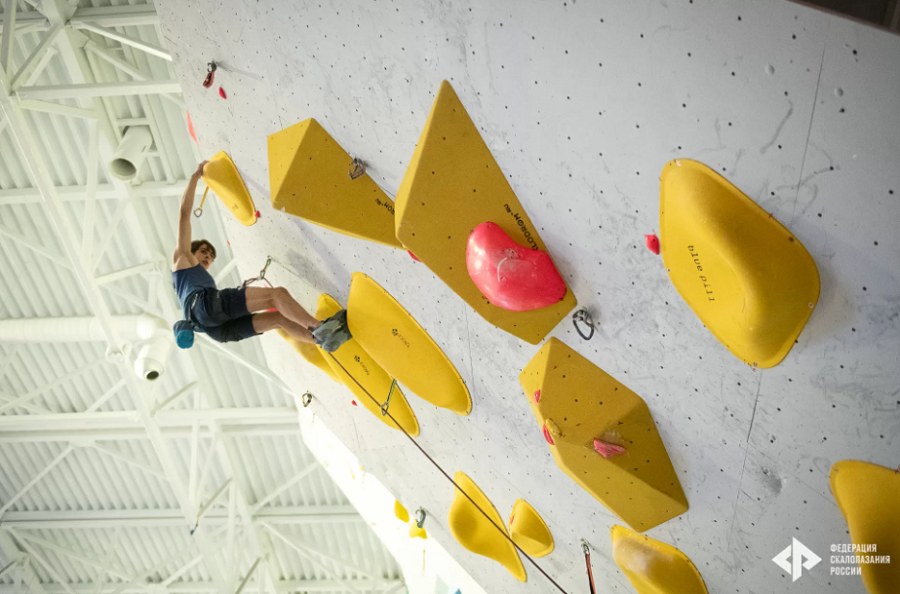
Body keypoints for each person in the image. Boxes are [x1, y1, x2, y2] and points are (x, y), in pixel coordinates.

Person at [172, 161, 342, 348]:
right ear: (192, 250)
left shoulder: (192, 283)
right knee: (276, 295)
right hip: (206, 309)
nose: (208, 258)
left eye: (211, 257)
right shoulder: (183, 257)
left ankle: (321, 341)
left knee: (279, 319)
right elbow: (184, 214)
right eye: (204, 252)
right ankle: (320, 328)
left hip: (214, 330)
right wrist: (196, 176)